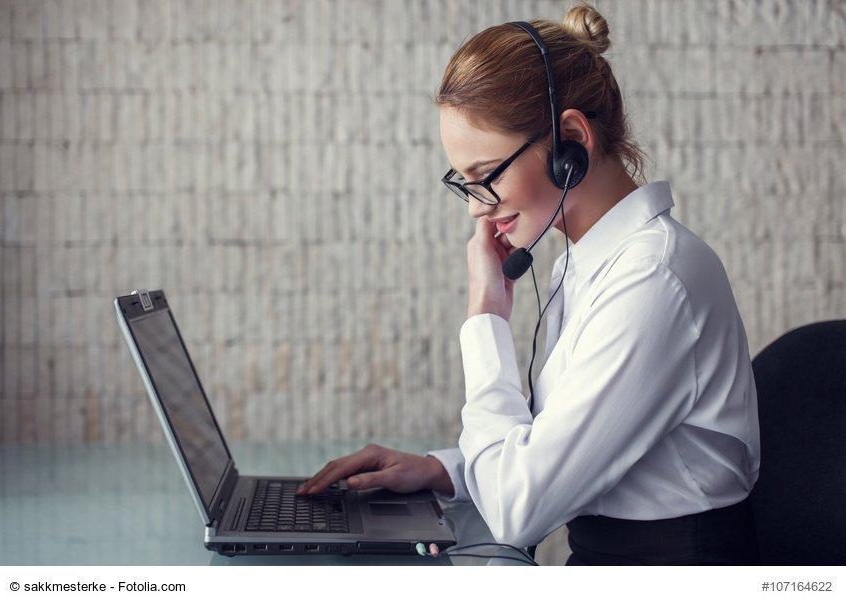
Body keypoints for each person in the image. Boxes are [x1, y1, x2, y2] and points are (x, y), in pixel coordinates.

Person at [295, 3, 761, 565]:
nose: (475, 208)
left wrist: (485, 316)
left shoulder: (653, 280)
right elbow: (555, 447)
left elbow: (518, 508)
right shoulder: (584, 263)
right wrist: (444, 471)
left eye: (485, 176)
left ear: (570, 141)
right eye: (461, 182)